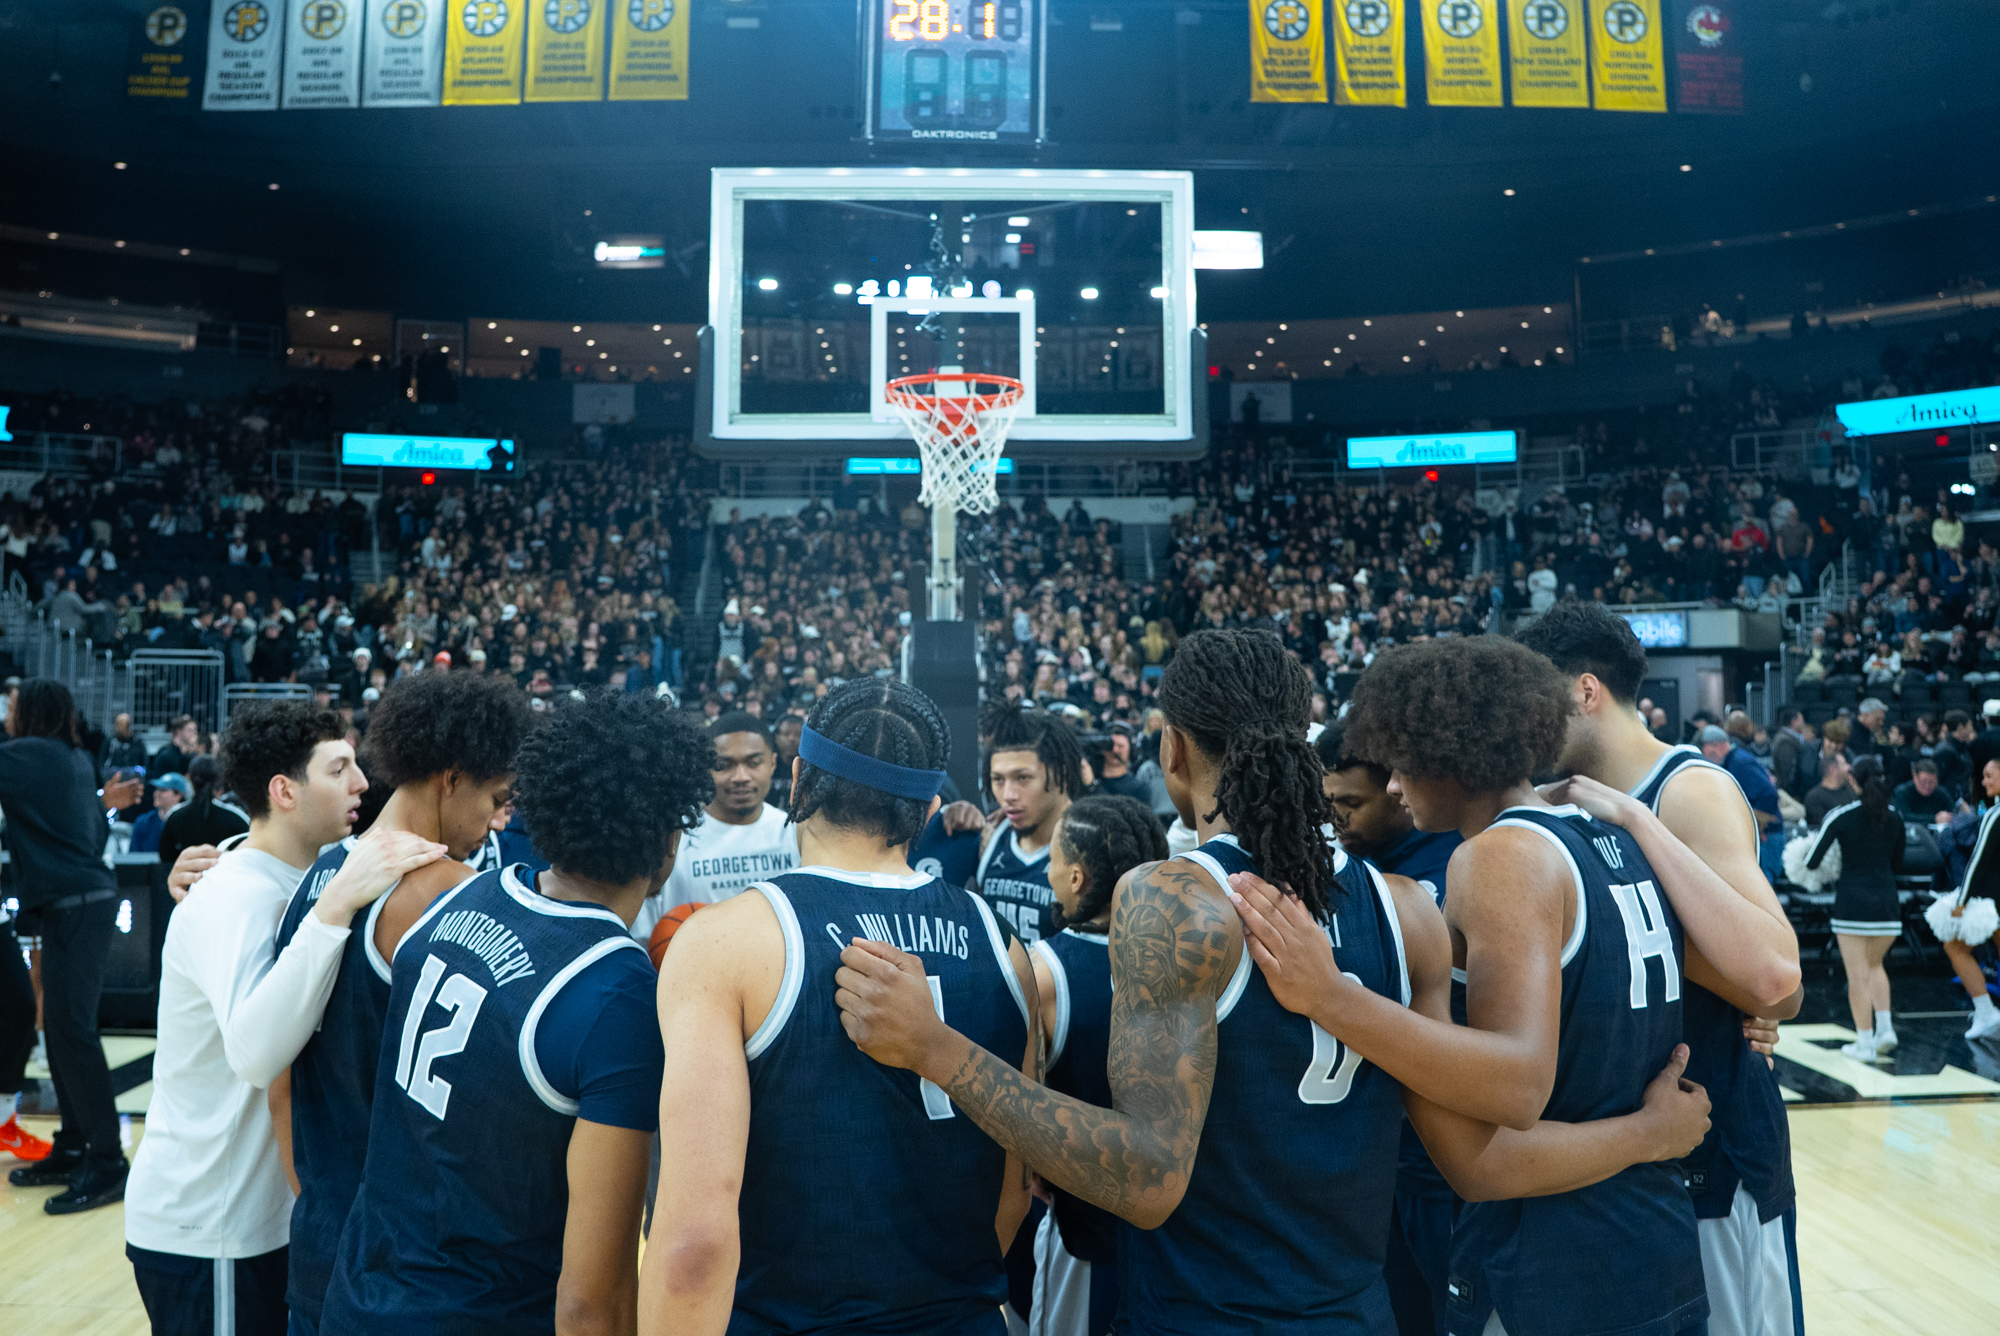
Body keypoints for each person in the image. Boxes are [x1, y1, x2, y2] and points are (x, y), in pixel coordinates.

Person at [835, 628, 1425, 1331]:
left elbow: (1147, 1179)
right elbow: (1474, 1150)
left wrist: (933, 1047)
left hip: (1209, 1318)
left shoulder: (1174, 898)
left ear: (1172, 747)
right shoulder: (1403, 906)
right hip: (1360, 1314)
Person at [640, 678, 1034, 1334]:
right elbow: (1013, 1199)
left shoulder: (724, 941)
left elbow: (694, 1245)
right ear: (929, 807)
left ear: (797, 780)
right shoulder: (1006, 945)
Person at [323, 691, 711, 1336]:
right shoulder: (618, 995)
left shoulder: (457, 900)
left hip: (359, 1294)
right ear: (668, 843)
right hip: (480, 1316)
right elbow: (592, 1303)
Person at [1515, 600, 1807, 1336]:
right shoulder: (1557, 804)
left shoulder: (1688, 791)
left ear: (1585, 691)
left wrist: (1613, 911)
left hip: (1716, 1157)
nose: (1522, 724)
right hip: (1625, 1166)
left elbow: (1779, 982)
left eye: (1533, 699)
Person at [124, 703, 445, 1336]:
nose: (362, 783)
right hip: (211, 1226)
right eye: (339, 769)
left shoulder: (278, 873)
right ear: (284, 791)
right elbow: (254, 1053)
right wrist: (336, 904)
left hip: (268, 1221)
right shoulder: (231, 895)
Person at [276, 670, 534, 1335]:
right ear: (452, 778)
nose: (498, 819)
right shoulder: (451, 896)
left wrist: (322, 1197)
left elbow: (280, 1077)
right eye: (495, 798)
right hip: (411, 1263)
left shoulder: (321, 873)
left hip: (320, 1239)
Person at [1314, 716, 1462, 1336]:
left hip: (1446, 1157)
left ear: (1397, 788)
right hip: (1375, 1156)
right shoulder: (1340, 867)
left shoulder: (1456, 859)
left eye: (1352, 803)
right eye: (1328, 802)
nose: (1336, 819)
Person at [1025, 794, 1167, 1336]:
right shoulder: (1193, 953)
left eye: (1053, 860)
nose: (1047, 872)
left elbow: (1021, 1107)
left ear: (1077, 877)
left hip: (1083, 1238)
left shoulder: (1044, 971)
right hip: (1180, 1240)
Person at [0, 680, 142, 1212]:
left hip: (76, 906)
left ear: (30, 712)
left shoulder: (25, 755)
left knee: (73, 1033)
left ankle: (107, 1162)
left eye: (13, 706)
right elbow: (92, 835)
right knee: (61, 1032)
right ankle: (75, 1145)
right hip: (83, 903)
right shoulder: (76, 759)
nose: (8, 714)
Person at [631, 711, 798, 952]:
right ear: (706, 769)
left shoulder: (794, 834)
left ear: (772, 763)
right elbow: (645, 936)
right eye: (723, 766)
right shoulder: (674, 837)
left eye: (753, 763)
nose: (741, 777)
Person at [1805, 755, 1906, 1062]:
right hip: (1887, 903)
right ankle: (1885, 1030)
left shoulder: (1841, 815)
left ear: (1853, 781)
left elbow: (1812, 860)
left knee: (1857, 974)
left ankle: (1864, 1043)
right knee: (1876, 966)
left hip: (1852, 905)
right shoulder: (1896, 817)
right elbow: (1898, 863)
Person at [977, 704, 1085, 944]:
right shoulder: (989, 839)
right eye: (998, 780)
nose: (1008, 795)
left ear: (1061, 774)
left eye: (1022, 778)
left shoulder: (1092, 848)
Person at [1927, 758, 2000, 1041]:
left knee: (1954, 946)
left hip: (1992, 902)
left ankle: (1986, 1011)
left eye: (1989, 775)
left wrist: (1962, 901)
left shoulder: (1995, 814)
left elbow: (1978, 861)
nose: (1984, 782)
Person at [1698, 724, 1784, 882]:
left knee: (1762, 886)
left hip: (1767, 837)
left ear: (1715, 746)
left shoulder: (1739, 763)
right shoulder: (1736, 760)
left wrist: (1757, 826)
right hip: (1766, 835)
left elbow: (1769, 794)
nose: (1705, 757)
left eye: (1706, 752)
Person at [157, 756, 251, 885]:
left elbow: (165, 859)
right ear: (218, 779)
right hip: (227, 887)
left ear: (190, 779)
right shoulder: (235, 817)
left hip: (185, 889)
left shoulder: (174, 817)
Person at [130, 772, 191, 853]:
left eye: (163, 790)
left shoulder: (187, 822)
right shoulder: (143, 822)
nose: (156, 793)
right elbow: (133, 855)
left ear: (178, 795)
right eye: (156, 789)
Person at [1805, 747, 1858, 829]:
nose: (1849, 767)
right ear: (1833, 769)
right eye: (1844, 764)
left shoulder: (1851, 791)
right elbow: (1822, 826)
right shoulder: (1814, 798)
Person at [1892, 759, 1955, 824]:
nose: (1927, 786)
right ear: (1915, 778)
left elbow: (1952, 811)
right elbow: (1904, 816)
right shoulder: (1902, 792)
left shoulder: (1941, 793)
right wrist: (1934, 819)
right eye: (1923, 782)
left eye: (1931, 782)